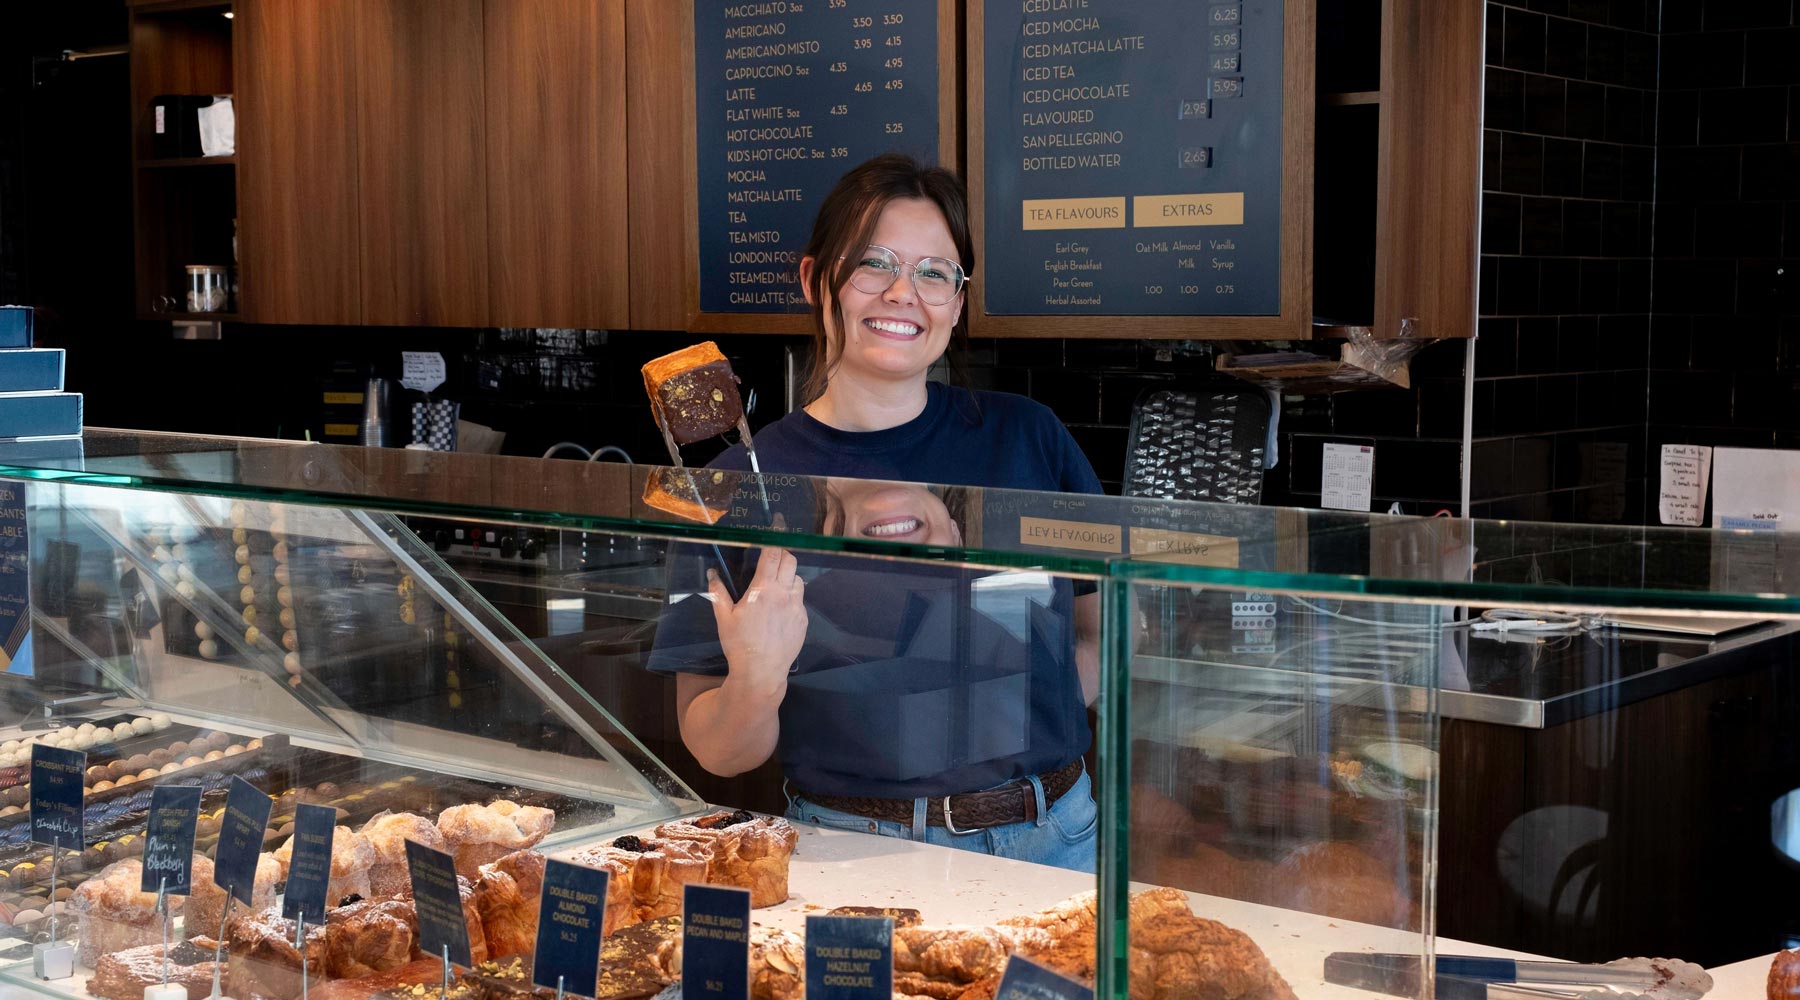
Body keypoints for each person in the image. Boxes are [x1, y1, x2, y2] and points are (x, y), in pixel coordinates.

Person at [646, 154, 1103, 870]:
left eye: (934, 273)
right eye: (873, 263)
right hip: (849, 845)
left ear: (958, 301)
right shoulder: (737, 486)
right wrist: (758, 676)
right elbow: (719, 750)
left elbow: (1106, 624)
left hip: (1053, 837)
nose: (902, 293)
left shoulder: (1028, 437)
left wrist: (1034, 700)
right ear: (813, 280)